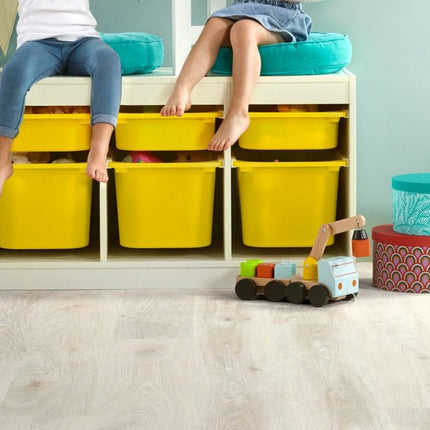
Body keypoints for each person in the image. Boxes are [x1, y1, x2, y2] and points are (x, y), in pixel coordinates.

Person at [0, 0, 122, 196]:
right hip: (38, 41)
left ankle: (99, 149)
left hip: (83, 39)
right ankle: (1, 162)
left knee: (109, 60)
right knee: (14, 73)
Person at [161, 0, 312, 151]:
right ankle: (183, 87)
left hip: (282, 13)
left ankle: (239, 113)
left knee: (243, 29)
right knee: (214, 24)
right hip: (244, 7)